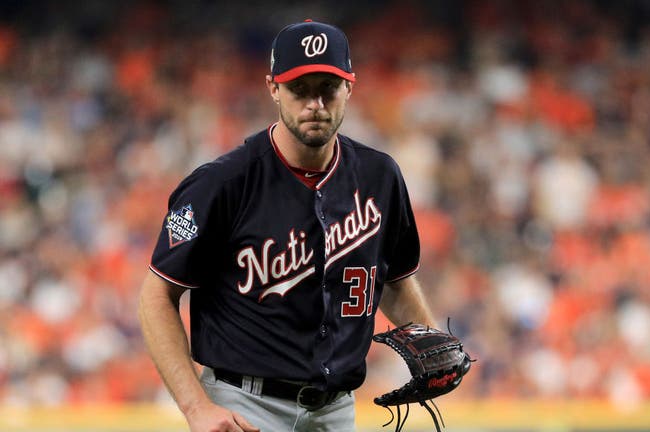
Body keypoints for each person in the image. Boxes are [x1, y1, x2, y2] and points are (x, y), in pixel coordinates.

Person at [138, 19, 437, 432]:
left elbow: (395, 281)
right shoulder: (222, 183)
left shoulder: (379, 177)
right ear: (273, 88)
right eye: (299, 89)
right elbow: (157, 295)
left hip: (336, 409)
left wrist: (429, 344)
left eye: (328, 88)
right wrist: (196, 407)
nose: (315, 103)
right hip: (244, 404)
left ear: (349, 87)